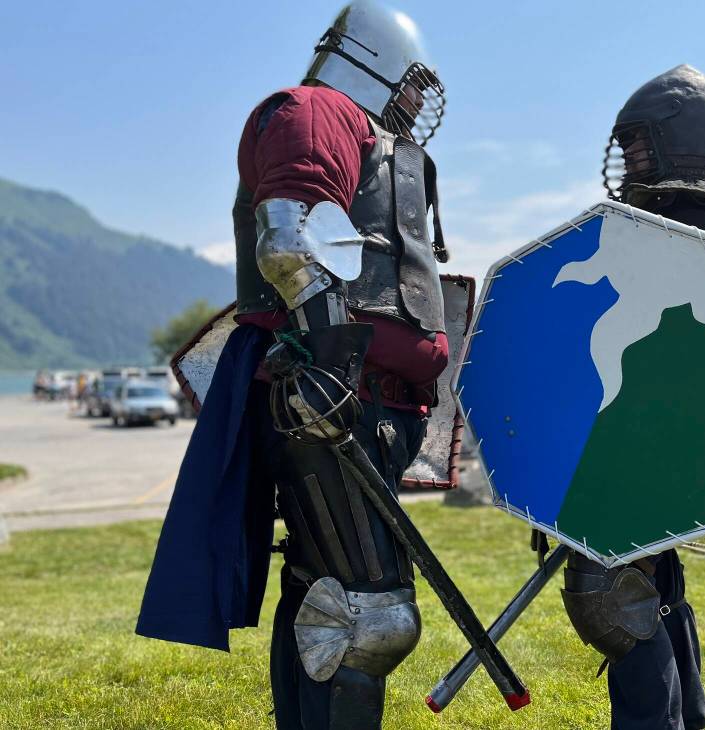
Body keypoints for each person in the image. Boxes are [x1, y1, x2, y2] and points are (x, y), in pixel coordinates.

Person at [137, 3, 451, 728]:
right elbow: (288, 244)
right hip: (334, 400)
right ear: (380, 64)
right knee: (372, 617)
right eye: (411, 85)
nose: (413, 103)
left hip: (357, 403)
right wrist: (330, 367)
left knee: (330, 598)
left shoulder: (360, 131)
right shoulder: (316, 112)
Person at [559, 65, 705, 730]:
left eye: (639, 144)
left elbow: (680, 365)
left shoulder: (688, 228)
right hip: (654, 443)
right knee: (656, 589)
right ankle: (686, 717)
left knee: (618, 598)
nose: (627, 159)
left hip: (640, 443)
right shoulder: (695, 226)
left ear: (682, 142)